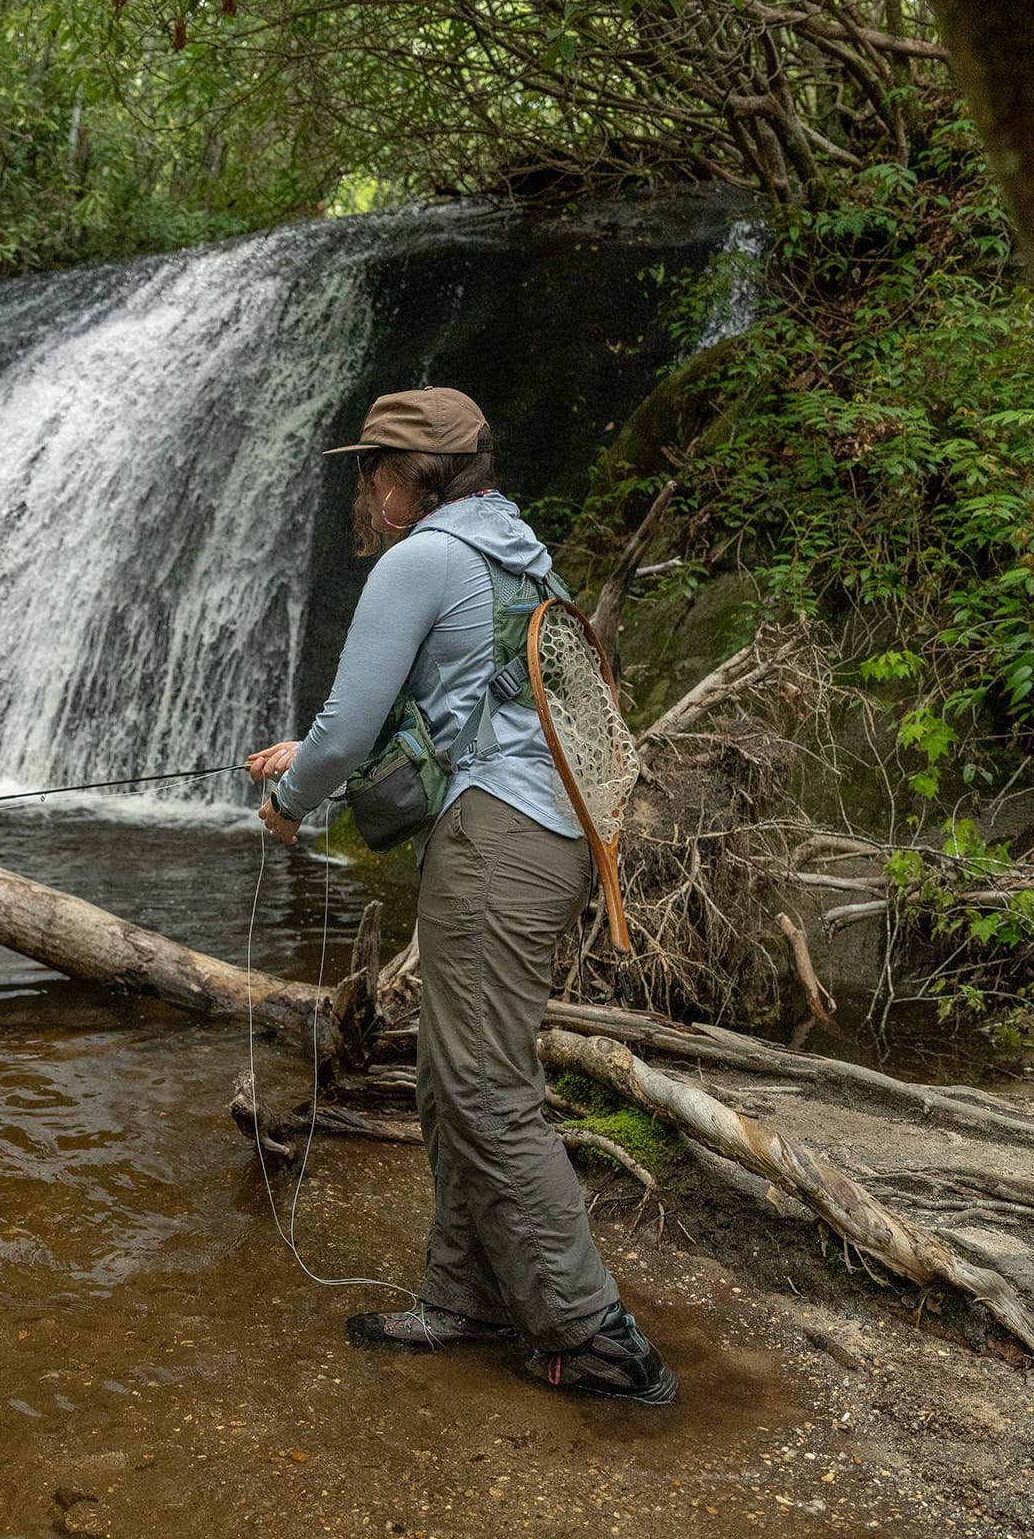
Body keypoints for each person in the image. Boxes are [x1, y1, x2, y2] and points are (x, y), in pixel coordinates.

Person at [243, 387, 677, 1407]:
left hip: (497, 840)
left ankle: (595, 1335)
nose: (370, 486)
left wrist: (291, 801)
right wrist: (316, 753)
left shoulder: (422, 557)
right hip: (542, 832)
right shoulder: (513, 551)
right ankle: (465, 1295)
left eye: (378, 466)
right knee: (454, 1076)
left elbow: (354, 728)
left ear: (415, 478)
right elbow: (467, 705)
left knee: (482, 1085)